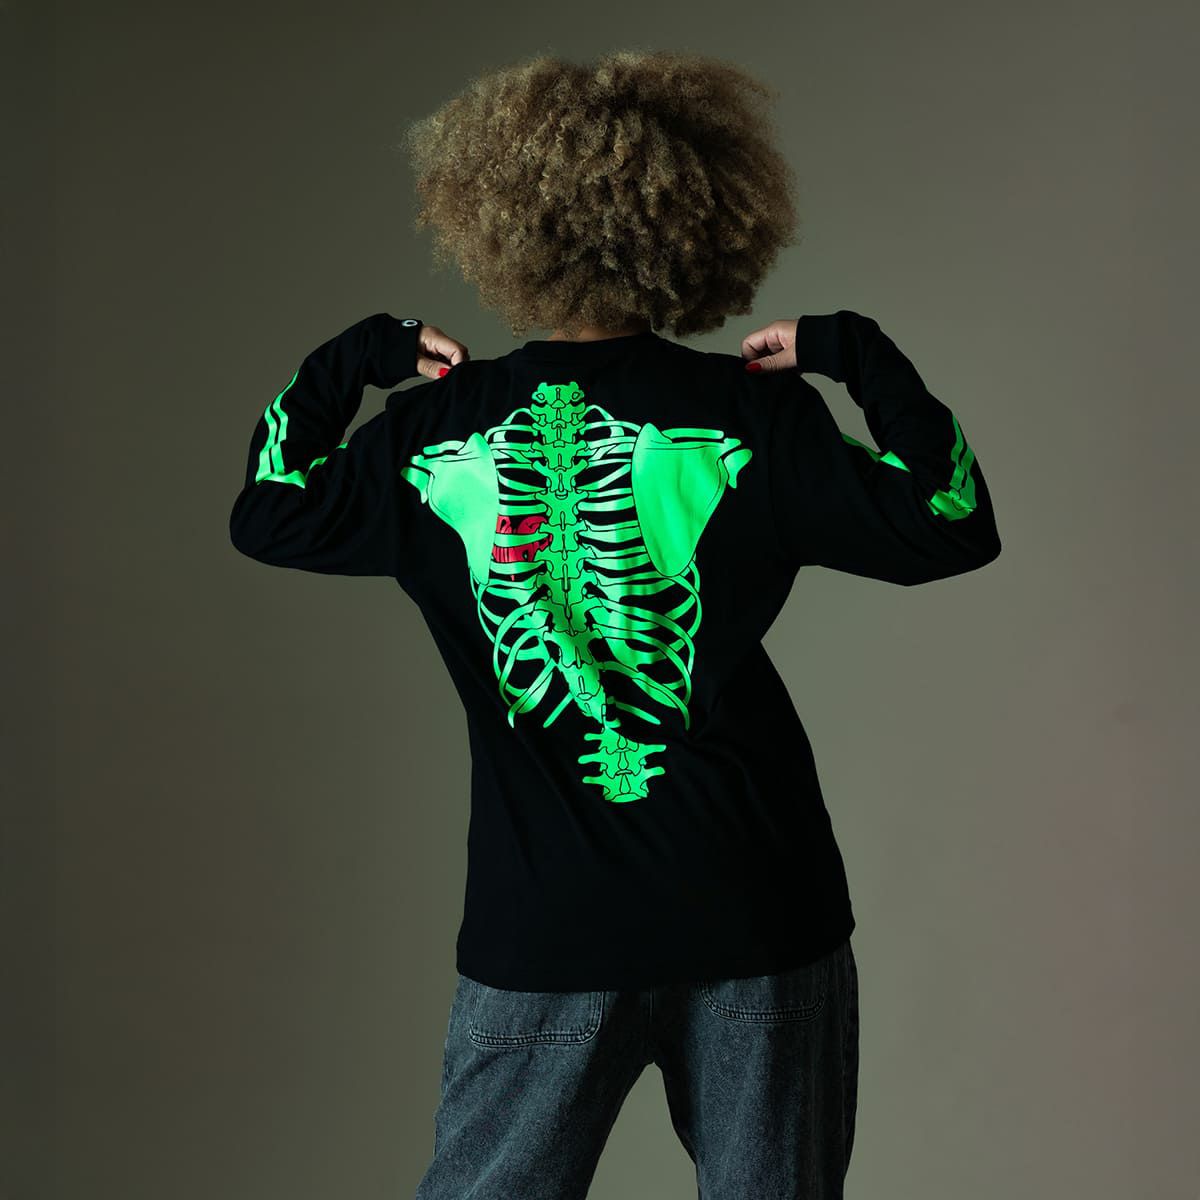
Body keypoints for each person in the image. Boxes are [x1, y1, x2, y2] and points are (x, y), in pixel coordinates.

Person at [229, 49, 1001, 1200]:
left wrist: (355, 362)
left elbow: (268, 509)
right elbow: (953, 521)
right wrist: (860, 357)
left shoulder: (431, 434)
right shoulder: (752, 418)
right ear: (700, 221)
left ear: (494, 225)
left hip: (547, 924)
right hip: (757, 908)